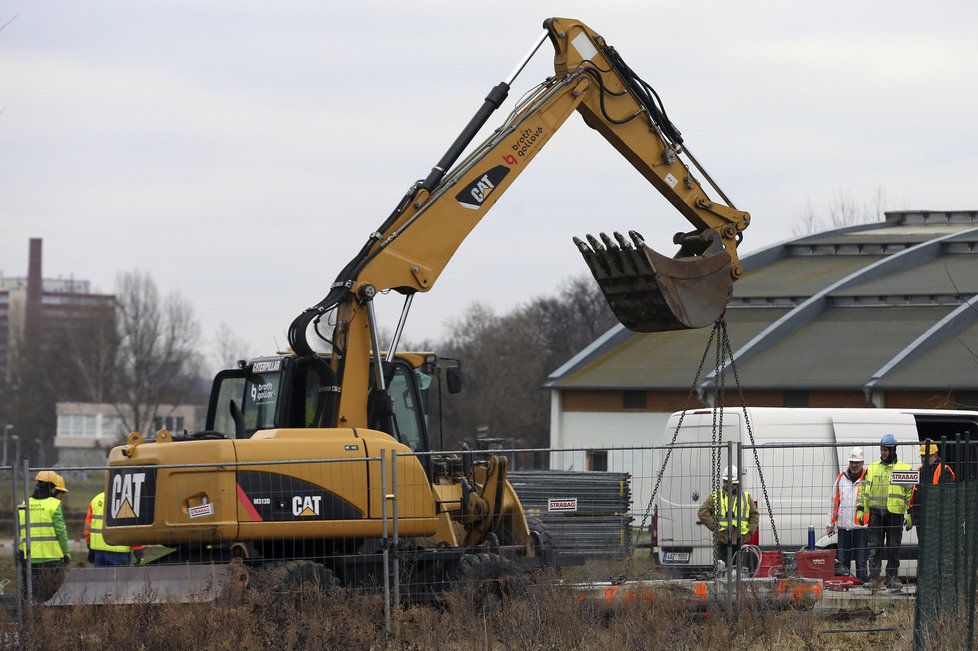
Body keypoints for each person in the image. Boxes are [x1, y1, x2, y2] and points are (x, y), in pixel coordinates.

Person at [856, 433, 913, 589]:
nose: (883, 453)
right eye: (881, 449)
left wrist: (909, 512)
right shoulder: (873, 468)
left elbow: (910, 493)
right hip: (876, 514)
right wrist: (861, 508)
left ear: (893, 450)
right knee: (874, 547)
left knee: (894, 547)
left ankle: (892, 578)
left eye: (886, 450)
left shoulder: (904, 468)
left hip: (895, 513)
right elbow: (863, 490)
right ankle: (874, 579)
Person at [17, 470, 70, 601]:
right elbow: (61, 533)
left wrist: (21, 553)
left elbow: (22, 532)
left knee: (32, 596)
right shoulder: (53, 505)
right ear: (53, 489)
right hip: (52, 559)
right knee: (55, 596)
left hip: (29, 558)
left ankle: (32, 619)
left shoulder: (25, 504)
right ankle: (51, 620)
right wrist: (66, 553)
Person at [698, 465, 759, 567]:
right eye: (727, 482)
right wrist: (714, 526)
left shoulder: (745, 497)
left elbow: (754, 515)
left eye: (732, 483)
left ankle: (738, 583)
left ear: (737, 482)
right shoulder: (716, 497)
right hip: (723, 541)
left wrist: (750, 530)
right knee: (722, 570)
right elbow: (702, 512)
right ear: (723, 481)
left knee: (741, 571)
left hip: (741, 540)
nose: (729, 485)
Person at [826, 447, 868, 583]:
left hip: (861, 527)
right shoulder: (841, 478)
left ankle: (862, 587)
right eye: (852, 462)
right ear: (849, 462)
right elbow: (834, 502)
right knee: (844, 562)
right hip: (844, 526)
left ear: (862, 462)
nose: (854, 465)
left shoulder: (868, 478)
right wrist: (830, 523)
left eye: (857, 462)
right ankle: (845, 588)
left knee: (861, 562)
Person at [908, 439, 956, 537]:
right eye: (922, 456)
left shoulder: (943, 470)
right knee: (923, 547)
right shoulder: (920, 470)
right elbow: (915, 493)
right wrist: (910, 512)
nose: (923, 459)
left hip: (936, 518)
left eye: (926, 456)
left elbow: (947, 496)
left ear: (935, 455)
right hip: (921, 517)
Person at [84, 491, 145, 566]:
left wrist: (89, 545)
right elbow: (133, 527)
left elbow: (87, 528)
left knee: (100, 577)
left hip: (98, 551)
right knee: (118, 577)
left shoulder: (96, 499)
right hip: (120, 551)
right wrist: (138, 549)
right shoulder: (129, 499)